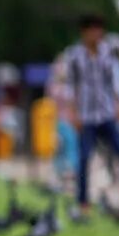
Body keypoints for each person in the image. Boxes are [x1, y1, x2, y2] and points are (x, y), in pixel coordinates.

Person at [66, 14, 119, 213]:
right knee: (83, 158)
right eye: (93, 30)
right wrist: (73, 113)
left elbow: (115, 80)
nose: (97, 34)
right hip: (87, 116)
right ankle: (83, 202)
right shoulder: (75, 56)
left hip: (106, 113)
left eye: (100, 30)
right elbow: (72, 86)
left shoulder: (108, 53)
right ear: (85, 32)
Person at [45, 53, 79, 184]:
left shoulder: (65, 86)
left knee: (68, 145)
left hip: (66, 120)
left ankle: (69, 170)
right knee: (61, 146)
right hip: (58, 120)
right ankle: (63, 170)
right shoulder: (57, 86)